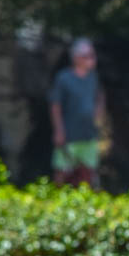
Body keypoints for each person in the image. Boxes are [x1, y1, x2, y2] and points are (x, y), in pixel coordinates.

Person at [49, 38, 106, 187]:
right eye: (88, 55)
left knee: (89, 173)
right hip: (69, 135)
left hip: (88, 134)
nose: (92, 59)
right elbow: (56, 106)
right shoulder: (64, 78)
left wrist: (99, 113)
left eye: (93, 55)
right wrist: (59, 131)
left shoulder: (93, 77)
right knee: (62, 172)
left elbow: (99, 96)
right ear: (76, 58)